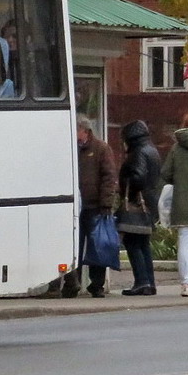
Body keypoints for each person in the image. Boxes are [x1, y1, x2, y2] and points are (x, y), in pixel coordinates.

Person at [66, 115, 118, 298]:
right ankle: (73, 283)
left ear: (84, 130)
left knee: (98, 246)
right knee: (75, 247)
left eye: (76, 130)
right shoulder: (72, 148)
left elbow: (109, 176)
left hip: (95, 206)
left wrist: (106, 203)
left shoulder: (101, 148)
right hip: (75, 207)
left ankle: (97, 285)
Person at [159, 111, 188, 297]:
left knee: (187, 244)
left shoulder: (177, 149)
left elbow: (166, 174)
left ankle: (187, 285)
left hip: (185, 204)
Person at [117, 120, 162, 296]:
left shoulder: (138, 152)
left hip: (136, 204)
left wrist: (125, 181)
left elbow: (139, 177)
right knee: (143, 244)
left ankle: (141, 282)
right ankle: (149, 282)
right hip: (149, 203)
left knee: (132, 242)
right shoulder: (151, 149)